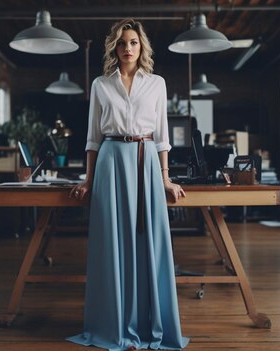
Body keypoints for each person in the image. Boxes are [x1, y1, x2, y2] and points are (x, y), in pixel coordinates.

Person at [67, 18, 189, 351]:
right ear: (114, 48)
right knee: (112, 242)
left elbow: (163, 137)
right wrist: (88, 180)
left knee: (147, 241)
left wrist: (165, 178)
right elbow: (92, 139)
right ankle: (115, 325)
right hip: (110, 160)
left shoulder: (157, 84)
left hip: (146, 159)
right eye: (122, 43)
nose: (127, 49)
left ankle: (148, 324)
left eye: (133, 42)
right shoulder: (100, 85)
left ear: (141, 46)